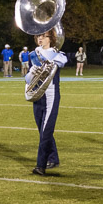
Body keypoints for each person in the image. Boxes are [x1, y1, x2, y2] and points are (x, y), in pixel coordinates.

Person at [27, 28, 67, 175]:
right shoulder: (33, 55)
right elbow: (27, 79)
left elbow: (62, 62)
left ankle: (40, 165)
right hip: (38, 96)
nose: (40, 39)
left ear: (51, 38)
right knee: (42, 129)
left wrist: (48, 59)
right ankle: (53, 157)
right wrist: (31, 73)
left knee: (46, 130)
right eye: (38, 36)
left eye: (44, 36)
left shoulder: (58, 55)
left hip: (51, 95)